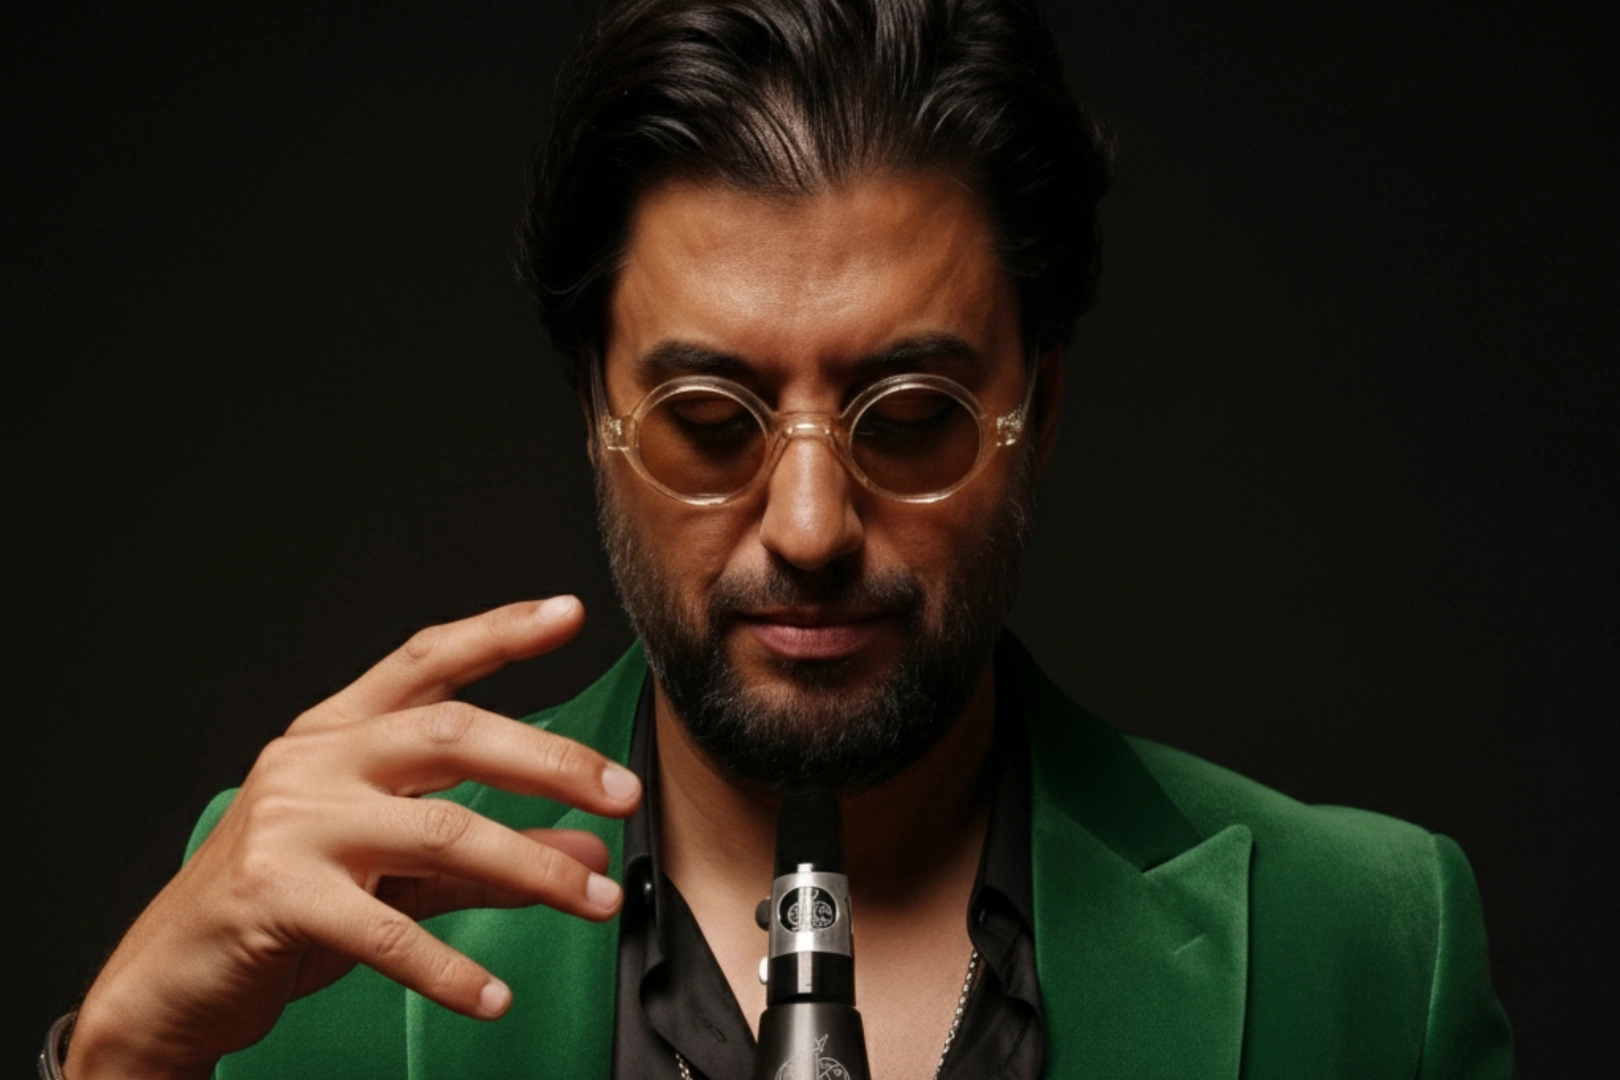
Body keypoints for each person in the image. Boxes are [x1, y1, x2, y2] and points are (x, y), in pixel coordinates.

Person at [50, 0, 1516, 1077]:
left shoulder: (1373, 949)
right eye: (708, 420)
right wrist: (114, 1067)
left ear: (1042, 407)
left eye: (913, 416)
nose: (810, 527)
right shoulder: (308, 925)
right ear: (595, 410)